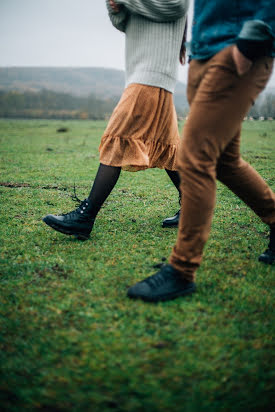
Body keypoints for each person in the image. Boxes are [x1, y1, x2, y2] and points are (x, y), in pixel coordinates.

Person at [128, 0, 275, 302]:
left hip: (239, 47)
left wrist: (252, 40)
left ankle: (182, 269)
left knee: (194, 157)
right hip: (204, 50)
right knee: (224, 161)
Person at [43, 0, 190, 239]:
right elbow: (124, 23)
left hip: (151, 74)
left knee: (118, 137)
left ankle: (84, 216)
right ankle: (193, 207)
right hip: (144, 73)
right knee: (166, 145)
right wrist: (115, 8)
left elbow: (176, 6)